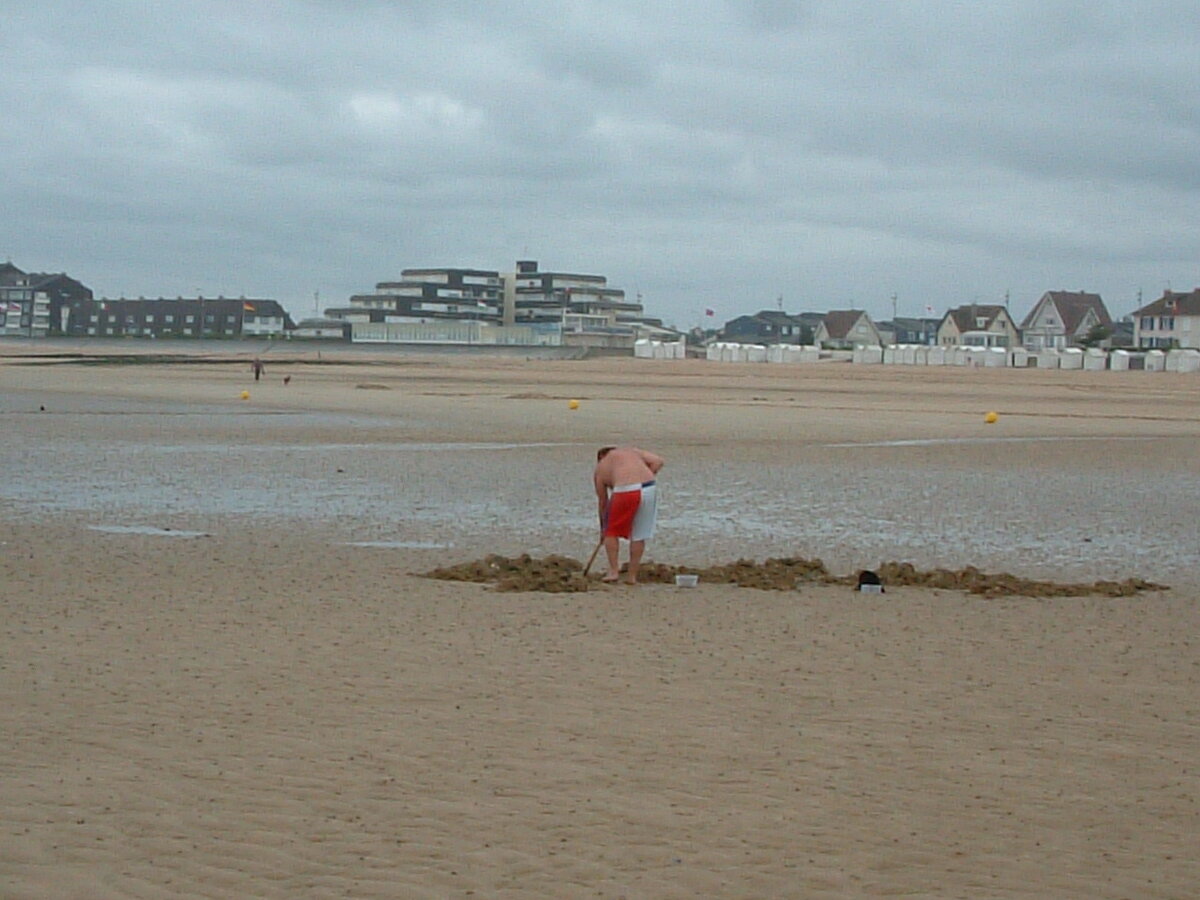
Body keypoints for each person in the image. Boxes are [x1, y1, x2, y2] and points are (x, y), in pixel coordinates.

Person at [593, 445, 664, 584]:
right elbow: (658, 461)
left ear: (600, 457)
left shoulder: (601, 467)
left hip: (626, 489)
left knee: (611, 532)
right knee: (639, 534)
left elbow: (603, 502)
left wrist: (603, 528)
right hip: (649, 486)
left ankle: (614, 571)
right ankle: (632, 576)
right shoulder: (631, 451)